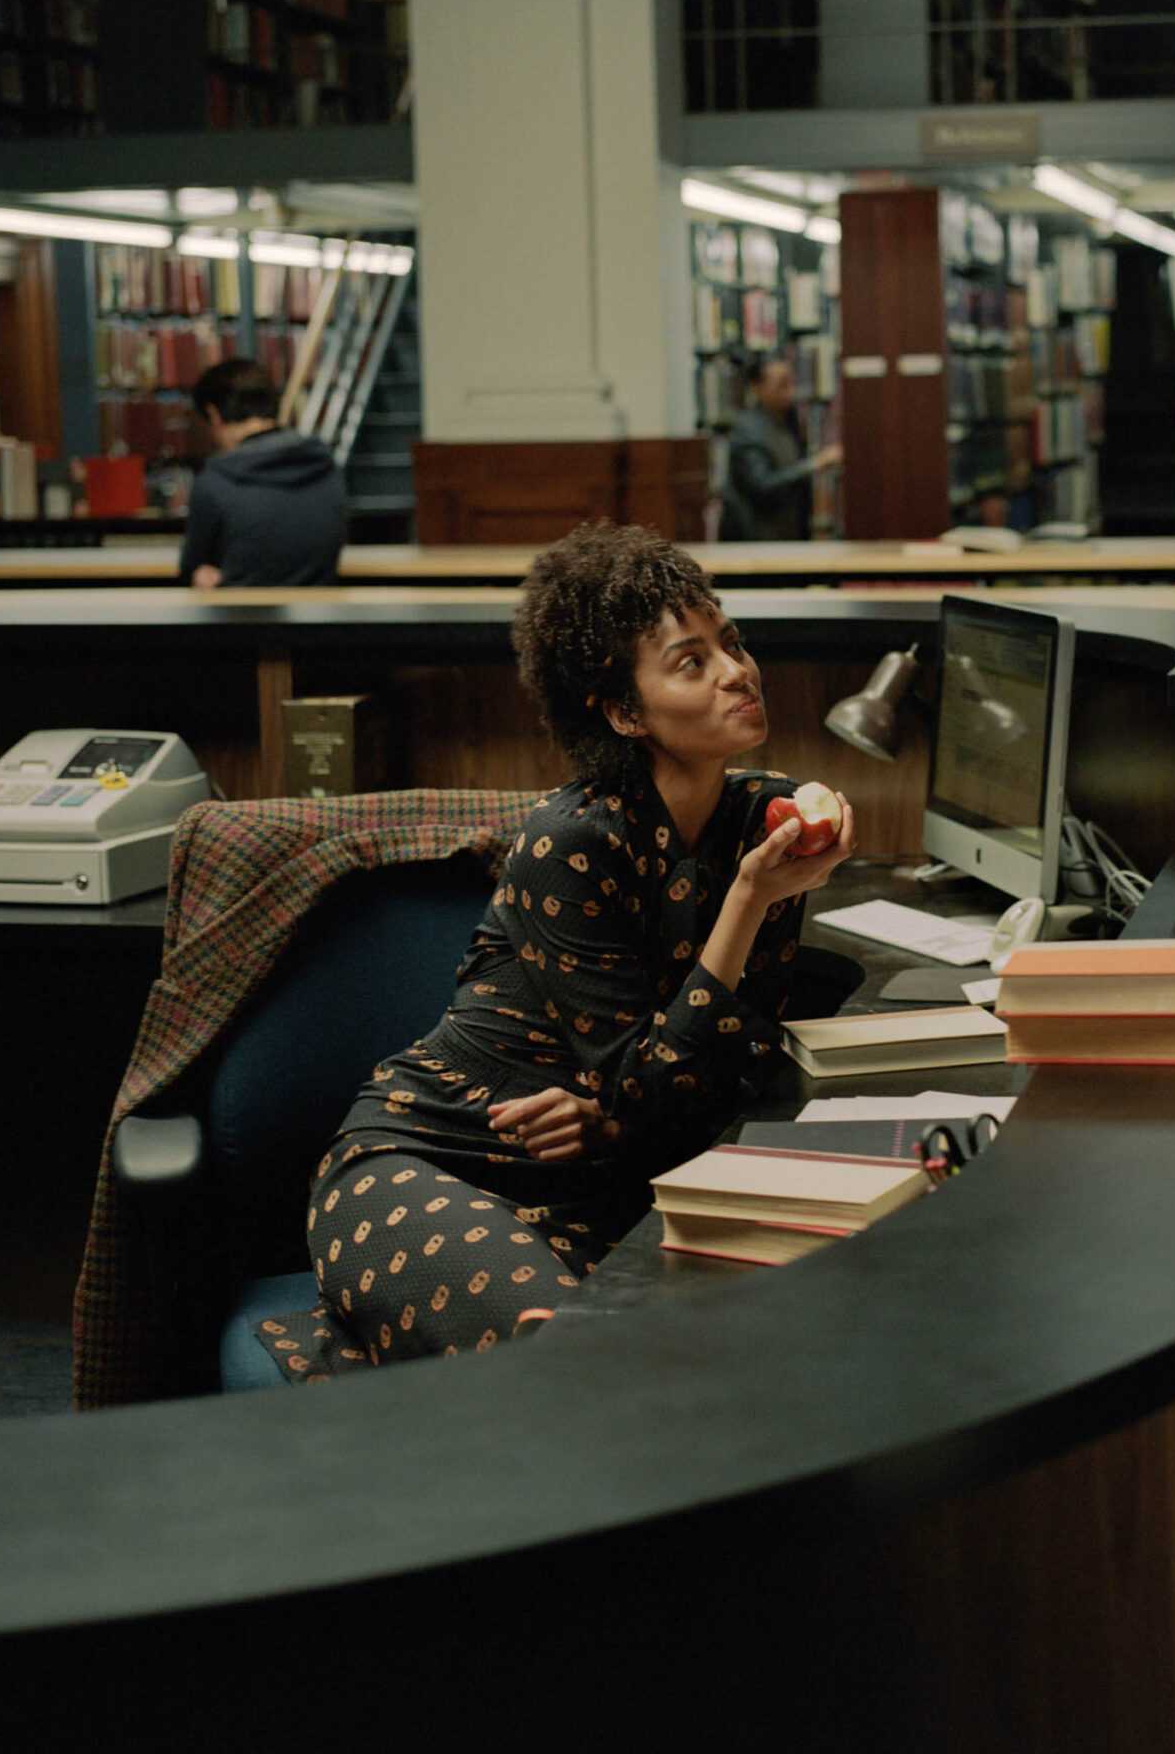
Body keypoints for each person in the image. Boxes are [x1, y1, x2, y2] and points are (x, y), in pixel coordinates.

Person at [254, 522, 854, 1378]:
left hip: (597, 1189)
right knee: (578, 1367)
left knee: (751, 1349)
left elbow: (731, 1068)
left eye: (731, 641)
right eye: (691, 662)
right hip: (424, 1166)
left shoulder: (765, 820)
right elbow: (653, 1083)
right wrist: (752, 901)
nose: (737, 671)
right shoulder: (572, 841)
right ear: (622, 712)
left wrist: (616, 1117)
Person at [176, 357, 348, 587]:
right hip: (321, 618)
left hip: (243, 618)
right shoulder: (326, 466)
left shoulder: (216, 480)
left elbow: (191, 569)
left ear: (214, 414)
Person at [717, 352, 840, 541]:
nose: (791, 392)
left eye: (792, 383)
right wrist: (813, 465)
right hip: (758, 544)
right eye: (782, 385)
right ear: (756, 387)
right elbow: (762, 487)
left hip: (787, 535)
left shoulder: (788, 421)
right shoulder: (748, 429)